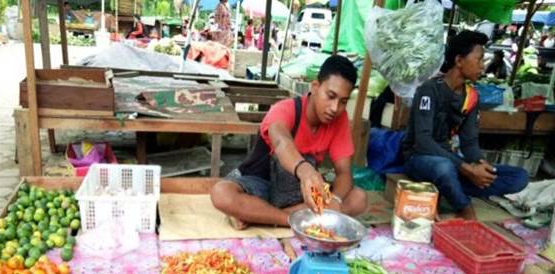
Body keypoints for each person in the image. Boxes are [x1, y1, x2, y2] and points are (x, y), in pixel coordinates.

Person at [210, 55, 368, 229]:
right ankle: (294, 219)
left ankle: (260, 216)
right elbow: (281, 142)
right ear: (315, 87)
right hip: (261, 186)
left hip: (296, 194)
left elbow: (344, 172)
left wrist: (336, 200)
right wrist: (305, 170)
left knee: (358, 198)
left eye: (343, 102)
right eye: (330, 96)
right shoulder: (285, 109)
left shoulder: (339, 119)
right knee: (221, 193)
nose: (334, 108)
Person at [401, 30, 528, 220]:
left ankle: (450, 188)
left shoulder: (471, 97)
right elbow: (423, 141)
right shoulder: (428, 90)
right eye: (479, 60)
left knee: (519, 176)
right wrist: (466, 168)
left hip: (452, 161)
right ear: (459, 61)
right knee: (443, 168)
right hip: (419, 159)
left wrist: (479, 163)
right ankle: (464, 206)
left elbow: (469, 143)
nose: (482, 66)